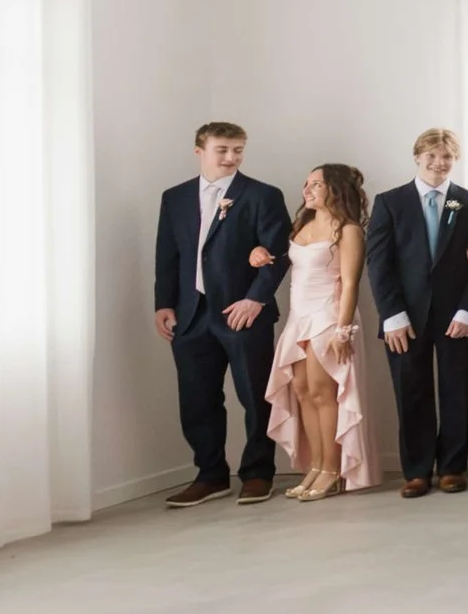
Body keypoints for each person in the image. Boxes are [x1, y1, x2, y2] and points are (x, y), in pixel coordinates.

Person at [154, 121, 292, 507]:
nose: (231, 157)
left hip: (243, 313)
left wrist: (256, 300)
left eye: (238, 150)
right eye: (223, 150)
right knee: (197, 400)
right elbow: (168, 254)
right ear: (199, 151)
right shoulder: (175, 197)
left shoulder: (263, 195)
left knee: (256, 396)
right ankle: (211, 475)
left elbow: (278, 253)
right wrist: (163, 303)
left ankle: (258, 473)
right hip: (190, 315)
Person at [364, 128, 468, 499]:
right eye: (432, 156)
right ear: (418, 157)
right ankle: (417, 471)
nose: (439, 163)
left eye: (447, 157)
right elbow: (379, 263)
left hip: (456, 316)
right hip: (404, 318)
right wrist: (392, 314)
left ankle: (452, 467)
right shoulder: (390, 202)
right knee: (411, 393)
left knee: (457, 391)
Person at [261, 164, 377, 500]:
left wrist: (343, 330)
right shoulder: (304, 224)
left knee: (322, 392)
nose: (307, 190)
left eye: (316, 185)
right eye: (307, 184)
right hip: (299, 316)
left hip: (328, 315)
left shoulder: (348, 230)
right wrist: (260, 255)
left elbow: (351, 283)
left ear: (335, 189)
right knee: (301, 390)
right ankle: (316, 464)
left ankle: (332, 470)